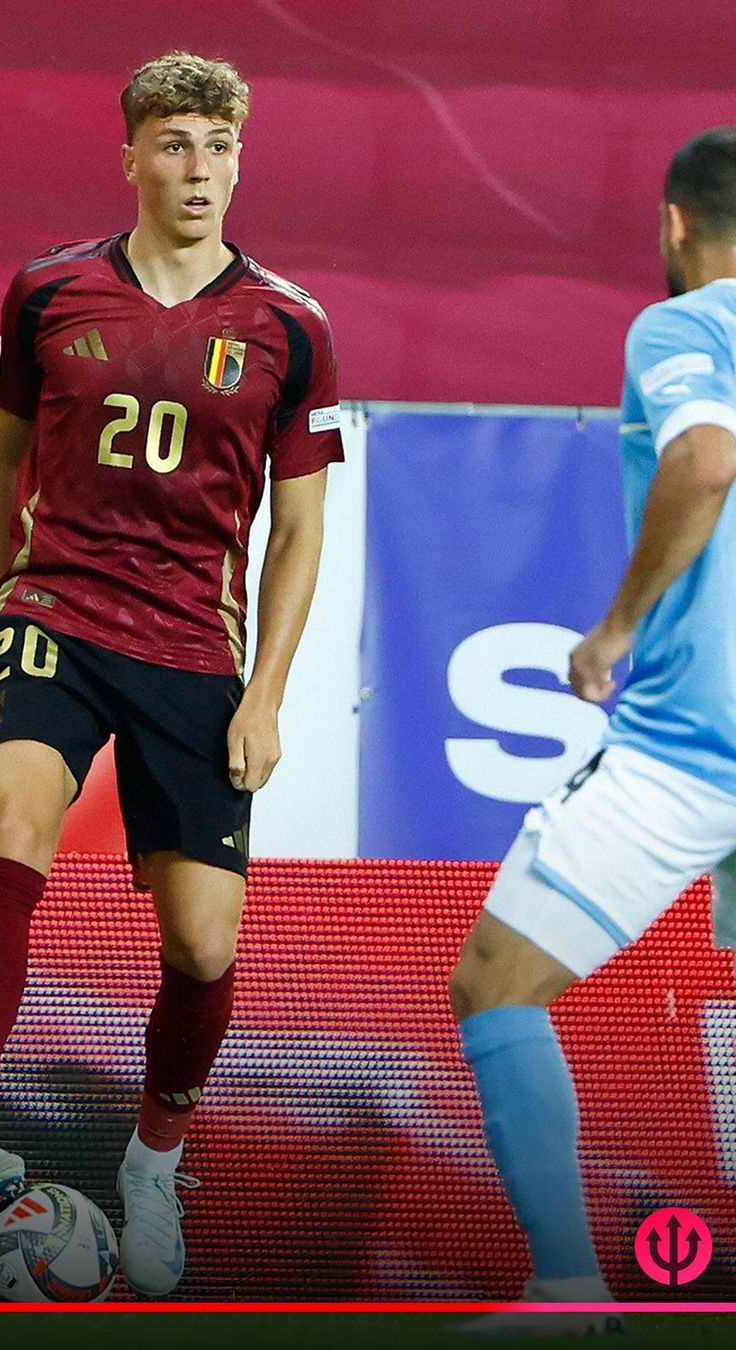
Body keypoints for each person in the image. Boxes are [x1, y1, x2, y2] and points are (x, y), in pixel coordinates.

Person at [0, 51, 343, 1296]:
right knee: (13, 818)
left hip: (192, 648)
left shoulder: (292, 325)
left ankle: (154, 1163)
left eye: (219, 146)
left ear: (240, 161)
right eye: (175, 143)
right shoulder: (48, 289)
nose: (199, 169)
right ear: (131, 158)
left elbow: (301, 529)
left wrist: (267, 693)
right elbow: (3, 458)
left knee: (205, 946)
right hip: (57, 611)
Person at [450, 126, 736, 1335]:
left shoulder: (685, 327)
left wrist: (614, 627)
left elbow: (707, 458)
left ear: (675, 221)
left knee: (497, 982)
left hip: (695, 747)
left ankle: (568, 1290)